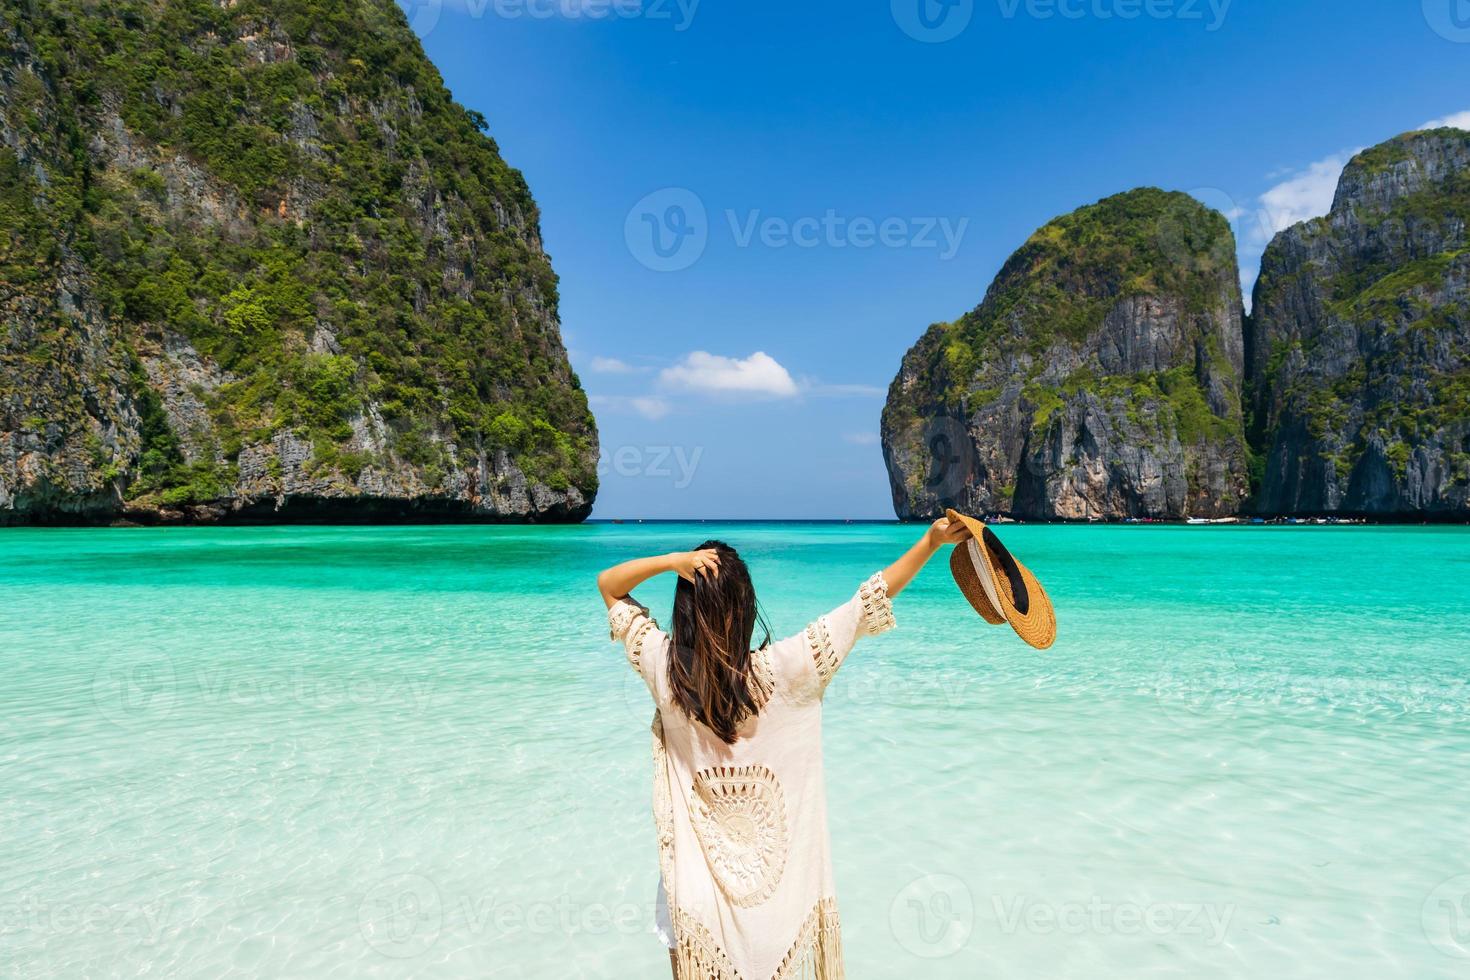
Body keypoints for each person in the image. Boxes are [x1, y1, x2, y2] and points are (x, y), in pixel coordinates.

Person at [597, 517, 973, 978]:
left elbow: (610, 586)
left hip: (694, 907)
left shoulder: (666, 672)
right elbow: (868, 599)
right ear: (747, 607)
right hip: (779, 911)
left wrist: (674, 563)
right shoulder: (794, 667)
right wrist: (931, 542)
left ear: (685, 611)